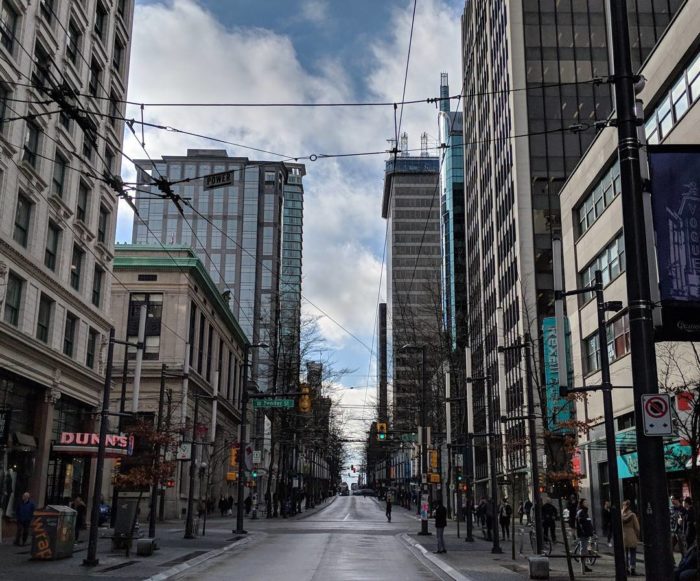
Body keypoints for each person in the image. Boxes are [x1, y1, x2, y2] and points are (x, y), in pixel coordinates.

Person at [622, 500, 640, 576]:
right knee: (632, 553)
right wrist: (637, 536)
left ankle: (626, 569)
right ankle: (632, 569)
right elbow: (637, 527)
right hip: (631, 534)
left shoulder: (620, 514)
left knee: (625, 553)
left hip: (623, 535)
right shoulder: (632, 515)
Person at [576, 498, 594, 573]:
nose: (587, 503)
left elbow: (588, 522)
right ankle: (583, 568)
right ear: (582, 504)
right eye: (585, 502)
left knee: (585, 549)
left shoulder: (585, 512)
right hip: (584, 534)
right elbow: (582, 524)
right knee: (583, 549)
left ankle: (584, 566)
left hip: (586, 533)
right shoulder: (581, 512)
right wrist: (585, 532)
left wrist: (591, 530)